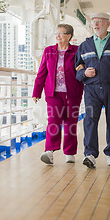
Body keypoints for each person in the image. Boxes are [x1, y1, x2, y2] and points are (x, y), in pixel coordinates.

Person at [75, 13, 110, 168]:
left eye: (99, 22)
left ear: (108, 24)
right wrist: (84, 74)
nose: (96, 24)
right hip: (92, 90)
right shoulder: (84, 45)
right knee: (90, 121)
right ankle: (90, 154)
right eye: (93, 22)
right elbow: (77, 67)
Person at [32, 24, 84, 165]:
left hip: (73, 93)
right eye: (57, 33)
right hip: (53, 94)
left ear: (69, 36)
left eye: (61, 33)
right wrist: (36, 91)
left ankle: (70, 152)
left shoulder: (77, 51)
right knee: (53, 122)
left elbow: (82, 68)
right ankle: (49, 151)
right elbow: (42, 72)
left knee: (70, 123)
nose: (58, 36)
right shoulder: (49, 51)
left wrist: (82, 67)